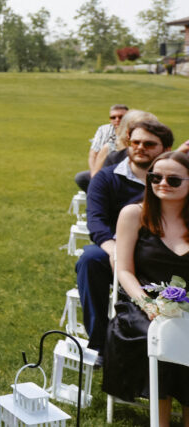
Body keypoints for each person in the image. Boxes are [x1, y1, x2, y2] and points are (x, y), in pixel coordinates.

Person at [102, 151, 189, 427]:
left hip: (187, 304)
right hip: (140, 304)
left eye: (173, 180)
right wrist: (147, 304)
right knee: (161, 337)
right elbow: (124, 271)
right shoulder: (133, 214)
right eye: (155, 177)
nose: (162, 183)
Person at [77, 120, 173, 353]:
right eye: (135, 142)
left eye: (149, 144)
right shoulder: (106, 178)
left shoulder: (171, 181)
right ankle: (100, 343)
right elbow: (96, 221)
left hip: (160, 249)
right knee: (90, 260)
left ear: (166, 149)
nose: (140, 148)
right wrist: (114, 251)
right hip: (115, 245)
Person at [75, 104, 127, 191]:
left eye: (121, 117)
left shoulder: (134, 130)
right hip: (103, 170)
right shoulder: (103, 130)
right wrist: (94, 175)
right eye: (113, 117)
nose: (117, 120)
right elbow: (93, 155)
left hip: (124, 171)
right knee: (81, 178)